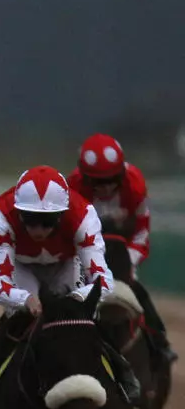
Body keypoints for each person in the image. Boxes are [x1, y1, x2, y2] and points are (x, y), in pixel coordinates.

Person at [0, 165, 140, 406]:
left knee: (84, 319)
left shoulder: (83, 216)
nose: (38, 230)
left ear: (61, 216)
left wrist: (77, 301)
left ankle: (121, 369)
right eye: (30, 219)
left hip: (64, 265)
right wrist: (25, 300)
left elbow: (103, 282)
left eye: (47, 222)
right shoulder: (0, 217)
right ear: (18, 212)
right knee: (19, 315)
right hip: (22, 267)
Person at [67, 132, 176, 365]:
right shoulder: (72, 189)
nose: (105, 188)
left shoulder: (135, 185)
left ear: (121, 175)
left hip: (124, 252)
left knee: (136, 292)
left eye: (111, 180)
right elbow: (68, 234)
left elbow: (141, 231)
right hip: (85, 254)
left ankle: (159, 342)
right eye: (97, 182)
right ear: (85, 179)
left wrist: (129, 261)